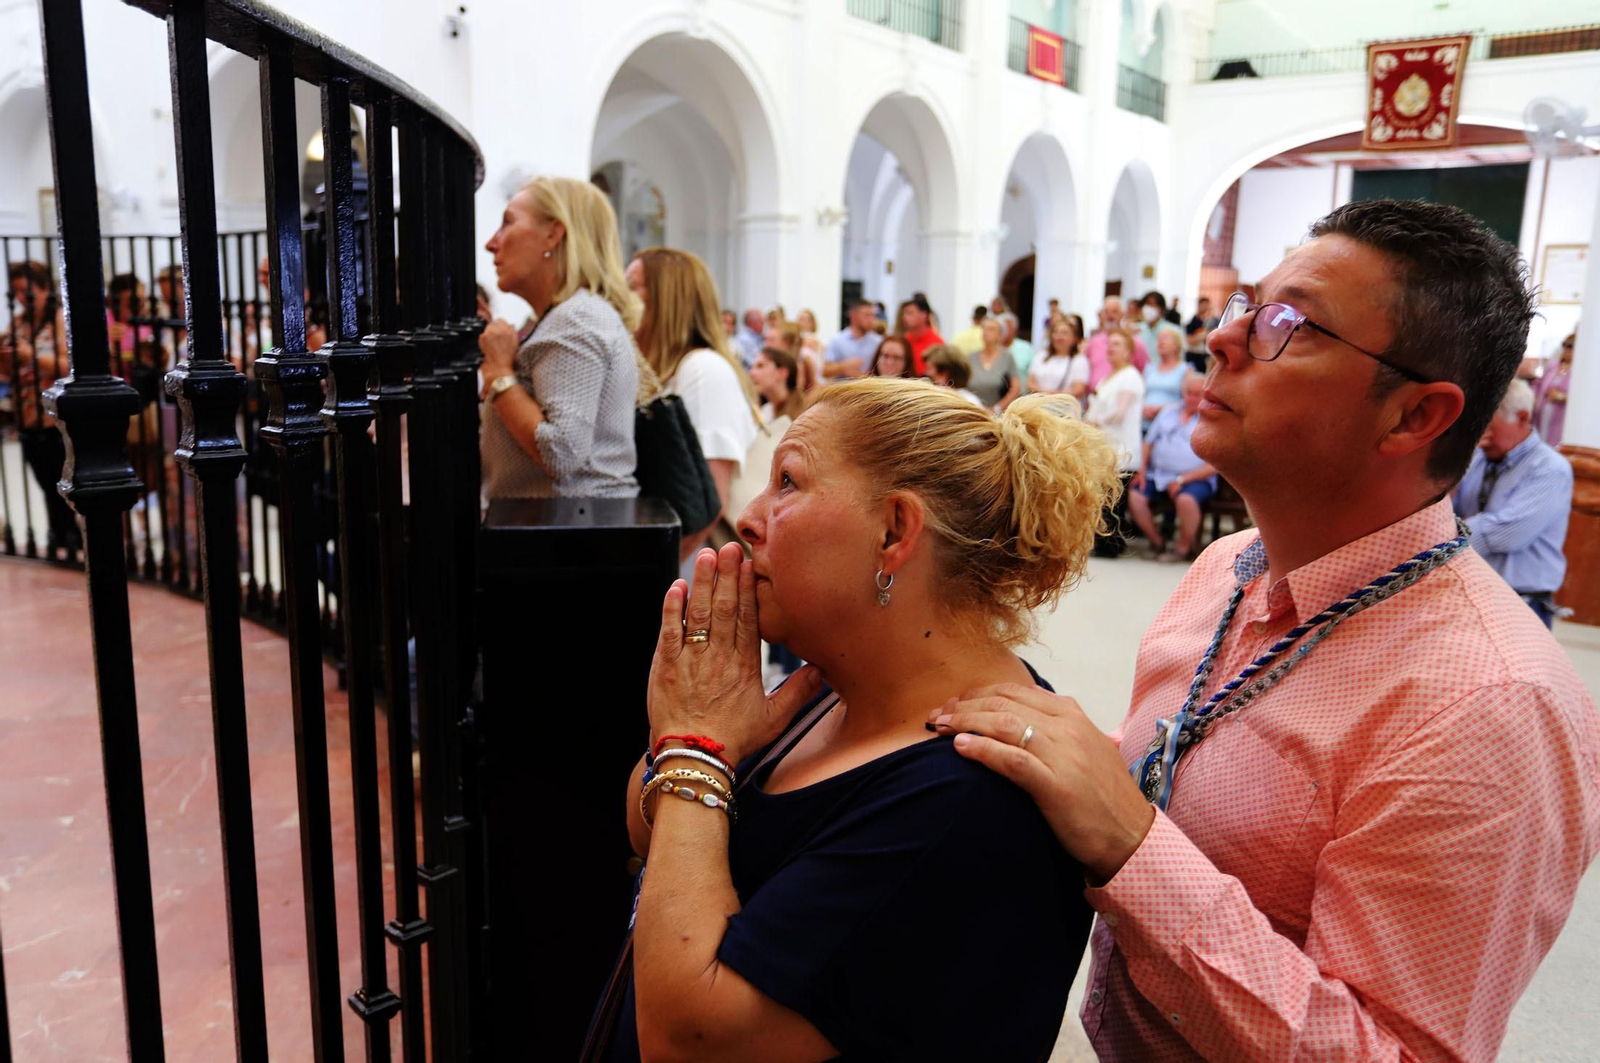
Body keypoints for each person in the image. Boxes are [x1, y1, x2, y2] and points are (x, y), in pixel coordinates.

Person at [928, 200, 1600, 1063]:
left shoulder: (1491, 703)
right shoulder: (1229, 567)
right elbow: (1188, 775)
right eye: (1246, 303)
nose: (1224, 338)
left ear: (1414, 417)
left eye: (1293, 324)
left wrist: (1131, 845)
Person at [610, 378, 1121, 1063]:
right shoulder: (839, 688)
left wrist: (696, 747)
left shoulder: (969, 796)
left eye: (788, 481)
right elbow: (650, 821)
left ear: (894, 531)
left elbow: (684, 1035)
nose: (751, 516)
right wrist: (699, 748)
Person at [479, 176, 640, 503]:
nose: (491, 243)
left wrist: (498, 373)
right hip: (561, 530)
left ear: (553, 233)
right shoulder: (563, 317)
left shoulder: (576, 318)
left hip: (573, 536)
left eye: (507, 223)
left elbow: (561, 451)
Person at [630, 246, 762, 564]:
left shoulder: (703, 370)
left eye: (632, 287)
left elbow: (706, 507)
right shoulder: (671, 371)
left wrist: (650, 582)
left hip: (696, 572)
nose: (621, 299)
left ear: (666, 300)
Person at [1453, 378, 1573, 628]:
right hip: (1468, 593)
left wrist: (1443, 539)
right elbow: (1440, 509)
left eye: (1489, 426)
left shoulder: (1550, 469)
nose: (1482, 434)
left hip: (1520, 602)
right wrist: (1456, 464)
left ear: (1522, 417)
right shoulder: (1476, 456)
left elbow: (1507, 533)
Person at [1, 260, 78, 552]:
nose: (22, 298)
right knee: (44, 481)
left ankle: (73, 537)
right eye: (17, 292)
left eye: (27, 291)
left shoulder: (59, 319)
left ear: (45, 288)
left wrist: (29, 354)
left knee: (64, 480)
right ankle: (58, 535)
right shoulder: (17, 323)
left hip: (57, 418)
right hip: (27, 414)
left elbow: (70, 366)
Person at [1127, 372, 1217, 561]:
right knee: (1135, 494)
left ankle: (1182, 548)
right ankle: (1157, 542)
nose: (1191, 398)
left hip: (1196, 478)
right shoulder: (1168, 412)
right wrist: (1142, 470)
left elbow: (1215, 465)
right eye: (1188, 393)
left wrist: (1182, 479)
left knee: (1186, 500)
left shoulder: (1212, 419)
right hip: (1159, 474)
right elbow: (1148, 443)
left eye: (1197, 394)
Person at [1084, 295, 1149, 389]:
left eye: (1114, 312)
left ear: (1123, 314)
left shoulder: (1135, 342)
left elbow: (1145, 371)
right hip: (1095, 396)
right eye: (1106, 312)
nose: (1110, 316)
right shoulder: (1093, 342)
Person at [1029, 317, 1090, 404]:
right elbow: (1030, 382)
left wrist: (1048, 395)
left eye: (1064, 333)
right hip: (1039, 407)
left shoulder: (1079, 361)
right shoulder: (1041, 356)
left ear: (1074, 338)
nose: (1059, 336)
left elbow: (1078, 390)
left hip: (1064, 411)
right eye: (1056, 332)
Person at [967, 317, 1020, 411]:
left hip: (996, 412)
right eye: (984, 328)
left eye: (991, 329)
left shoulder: (1007, 357)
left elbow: (1015, 388)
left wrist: (997, 408)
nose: (986, 332)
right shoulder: (971, 357)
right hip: (973, 410)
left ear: (1000, 335)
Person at [821, 299, 881, 381]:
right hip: (842, 391)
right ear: (853, 316)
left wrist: (856, 374)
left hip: (869, 391)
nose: (871, 320)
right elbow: (825, 371)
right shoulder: (837, 340)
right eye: (867, 315)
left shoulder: (878, 342)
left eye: (873, 315)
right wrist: (844, 366)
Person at [1533, 330, 1574, 445]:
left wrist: (1561, 397)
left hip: (1561, 421)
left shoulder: (1579, 371)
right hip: (1541, 417)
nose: (1566, 349)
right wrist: (1535, 398)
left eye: (1570, 346)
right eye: (1564, 345)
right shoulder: (1553, 366)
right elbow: (1537, 384)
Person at [1140, 327, 1187, 426]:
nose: (1161, 341)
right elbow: (1140, 395)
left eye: (1165, 338)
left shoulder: (1185, 370)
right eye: (1159, 338)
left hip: (1168, 425)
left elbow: (1187, 400)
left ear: (1176, 345)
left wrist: (1161, 409)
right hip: (1144, 423)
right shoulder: (1149, 369)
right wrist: (1143, 408)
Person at [748, 345, 806, 424]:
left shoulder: (804, 414)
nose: (752, 373)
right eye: (752, 367)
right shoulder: (766, 411)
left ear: (782, 373)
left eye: (760, 366)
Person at [899, 292, 943, 376]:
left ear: (924, 315)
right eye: (904, 313)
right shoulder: (904, 340)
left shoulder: (936, 343)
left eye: (910, 313)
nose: (904, 317)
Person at [998, 312, 1034, 383]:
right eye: (1000, 328)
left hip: (1023, 392)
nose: (1003, 331)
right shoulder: (991, 349)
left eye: (1006, 327)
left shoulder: (1026, 348)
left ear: (1014, 329)